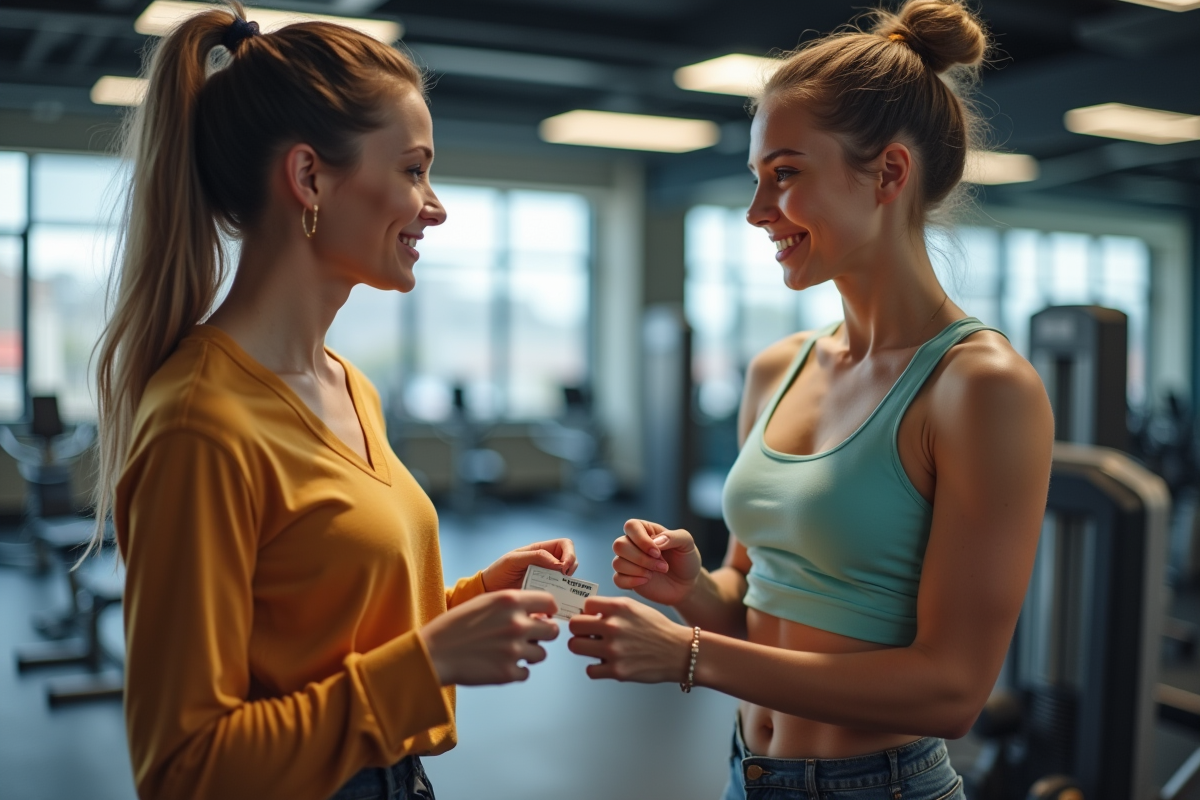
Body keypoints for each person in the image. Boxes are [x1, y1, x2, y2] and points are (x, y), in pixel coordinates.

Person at [566, 2, 1054, 798]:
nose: (758, 213)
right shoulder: (777, 369)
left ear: (890, 173)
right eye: (756, 180)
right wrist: (691, 591)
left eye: (785, 175)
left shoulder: (980, 387)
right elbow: (746, 603)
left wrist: (688, 657)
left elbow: (952, 691)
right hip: (748, 775)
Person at [91, 6, 572, 799]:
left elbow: (330, 640)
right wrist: (431, 663)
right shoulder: (201, 425)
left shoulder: (350, 385)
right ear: (310, 177)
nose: (435, 204)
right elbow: (183, 769)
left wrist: (474, 603)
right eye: (414, 169)